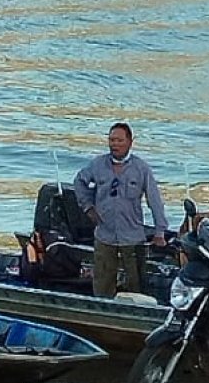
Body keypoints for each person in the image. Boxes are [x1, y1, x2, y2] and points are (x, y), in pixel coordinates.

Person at [73, 122, 170, 298]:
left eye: (119, 140)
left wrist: (160, 231)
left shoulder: (141, 169)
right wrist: (88, 207)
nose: (114, 144)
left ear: (130, 142)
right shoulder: (97, 164)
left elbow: (154, 200)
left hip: (132, 237)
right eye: (111, 140)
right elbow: (79, 182)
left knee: (136, 286)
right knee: (102, 284)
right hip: (104, 236)